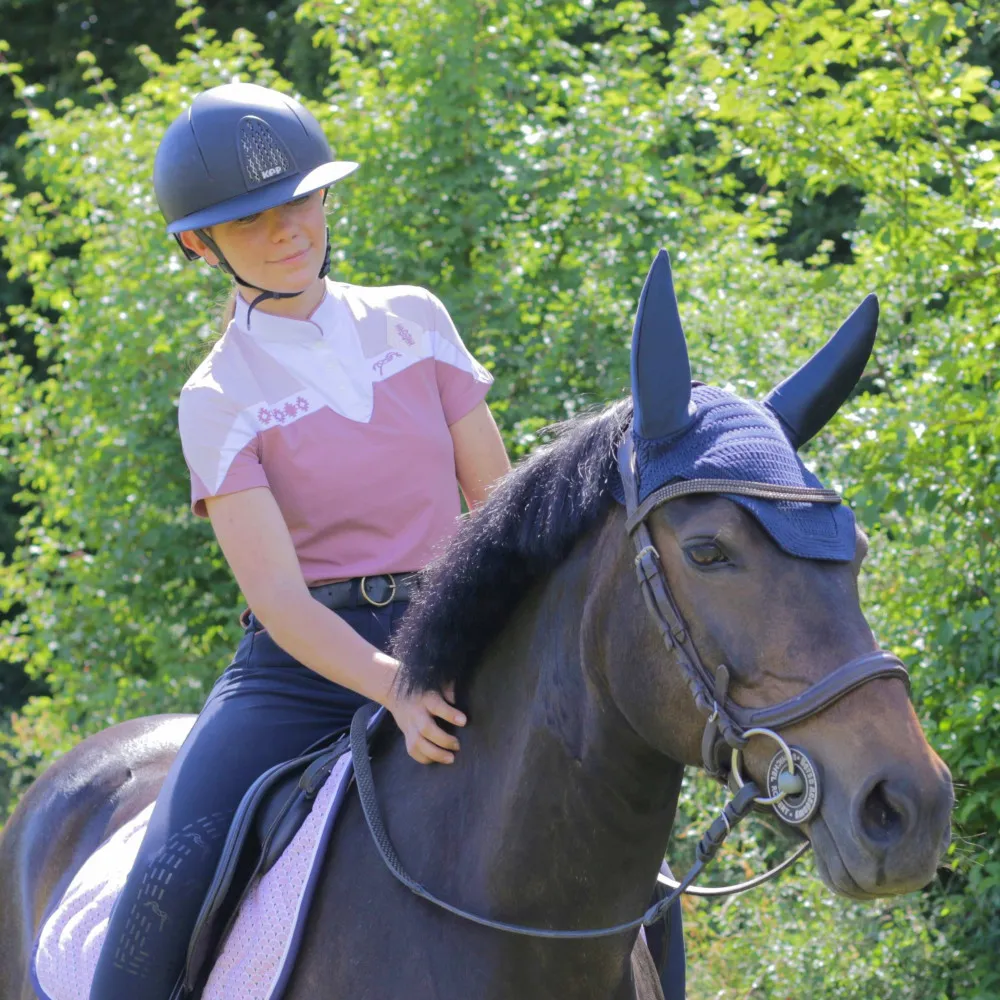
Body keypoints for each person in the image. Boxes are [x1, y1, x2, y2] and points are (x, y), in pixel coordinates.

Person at [88, 82, 510, 999]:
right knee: (166, 881)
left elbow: (498, 509)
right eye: (251, 220)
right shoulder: (216, 396)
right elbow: (279, 601)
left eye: (302, 199)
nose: (287, 230)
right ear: (198, 244)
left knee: (630, 849)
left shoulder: (415, 320)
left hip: (455, 625)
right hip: (304, 669)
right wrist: (397, 690)